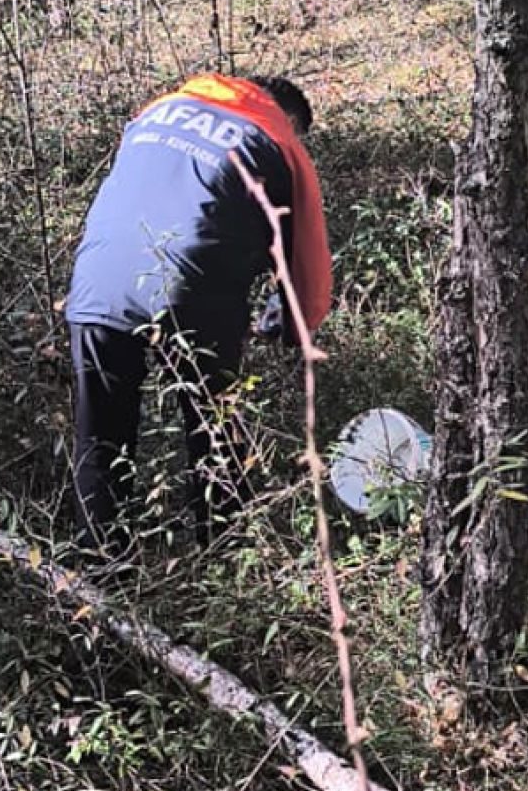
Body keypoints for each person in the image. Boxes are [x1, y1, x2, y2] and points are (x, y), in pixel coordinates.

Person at [64, 74, 332, 555]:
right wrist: (291, 327)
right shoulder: (277, 135)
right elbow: (307, 271)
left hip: (95, 282)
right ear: (289, 116)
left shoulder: (154, 112)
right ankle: (227, 559)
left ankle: (97, 576)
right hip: (190, 286)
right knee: (215, 427)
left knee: (99, 438)